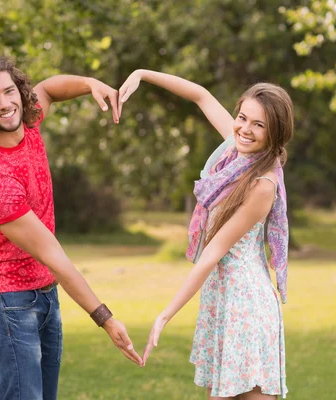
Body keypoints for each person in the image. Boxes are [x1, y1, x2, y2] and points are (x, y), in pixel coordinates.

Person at [0, 55, 142, 400]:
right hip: (9, 304)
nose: (5, 103)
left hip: (46, 294)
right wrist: (106, 318)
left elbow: (49, 89)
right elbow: (53, 253)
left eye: (9, 91)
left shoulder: (30, 126)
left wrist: (88, 84)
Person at [119, 70, 292, 399]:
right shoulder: (237, 149)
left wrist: (165, 314)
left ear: (275, 133)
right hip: (225, 299)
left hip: (247, 306)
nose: (244, 128)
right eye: (243, 117)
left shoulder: (262, 183)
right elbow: (199, 94)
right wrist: (143, 74)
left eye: (259, 125)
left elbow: (213, 252)